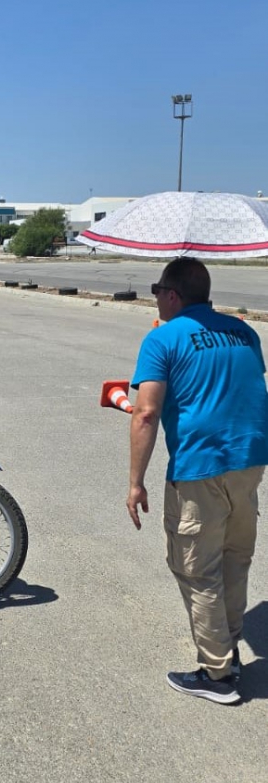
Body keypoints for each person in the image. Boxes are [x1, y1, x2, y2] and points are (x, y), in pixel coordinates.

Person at [127, 257, 268, 705]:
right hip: (250, 459)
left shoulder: (162, 338)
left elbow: (146, 412)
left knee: (197, 569)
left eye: (157, 291)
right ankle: (227, 647)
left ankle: (218, 674)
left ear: (172, 295)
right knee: (234, 558)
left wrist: (135, 482)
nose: (156, 299)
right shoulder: (245, 332)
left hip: (200, 466)